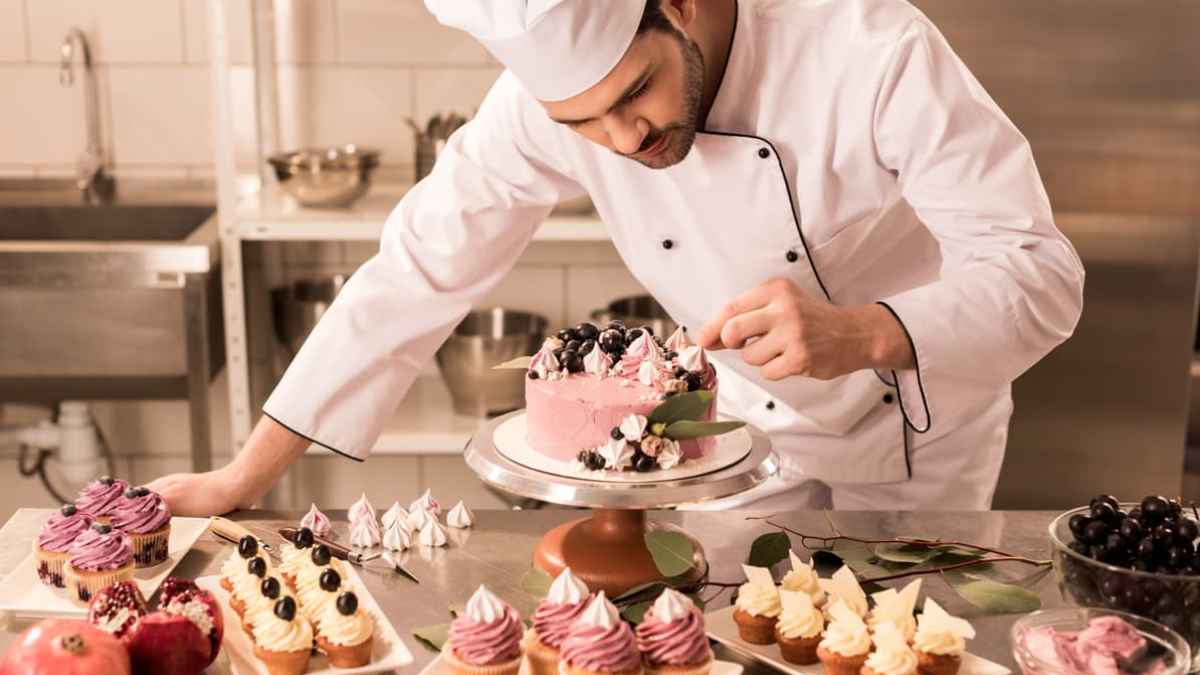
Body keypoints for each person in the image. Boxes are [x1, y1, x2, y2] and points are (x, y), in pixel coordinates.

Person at [149, 0, 1083, 514]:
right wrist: (242, 476)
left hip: (921, 441)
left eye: (636, 90)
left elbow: (1041, 272)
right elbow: (414, 273)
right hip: (742, 445)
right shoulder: (547, 114)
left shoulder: (870, 53)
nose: (622, 137)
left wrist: (866, 330)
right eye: (580, 122)